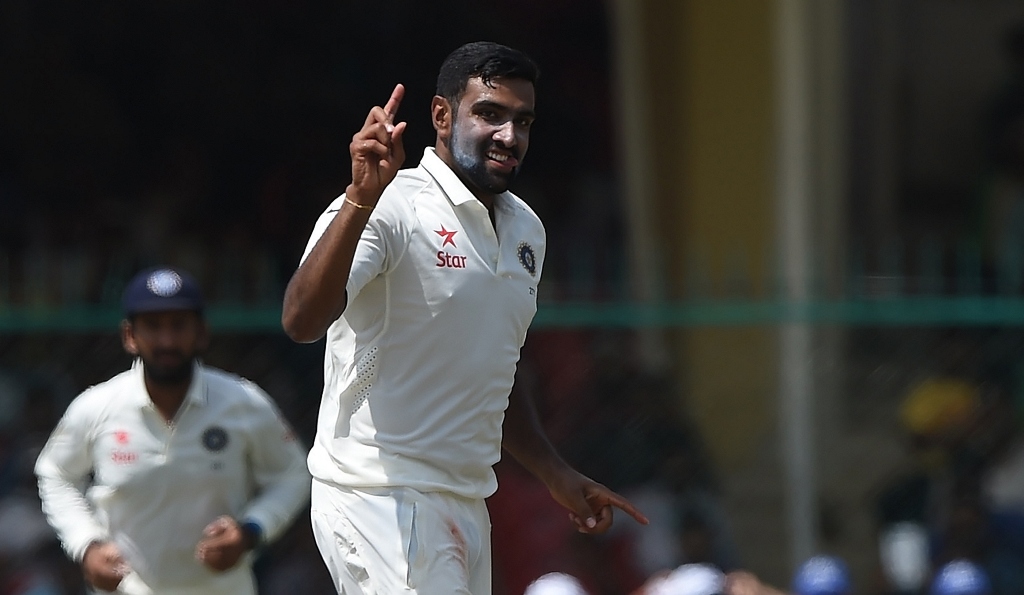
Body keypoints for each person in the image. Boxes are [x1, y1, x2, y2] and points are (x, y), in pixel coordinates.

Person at [281, 40, 648, 594]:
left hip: (465, 501)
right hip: (380, 495)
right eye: (490, 114)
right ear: (441, 115)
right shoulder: (388, 204)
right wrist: (359, 199)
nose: (508, 136)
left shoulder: (527, 230)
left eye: (521, 121)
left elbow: (496, 371)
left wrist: (554, 472)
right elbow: (301, 321)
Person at [34, 266, 311, 595]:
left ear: (201, 333)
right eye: (153, 326)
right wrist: (87, 545)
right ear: (129, 336)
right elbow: (55, 474)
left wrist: (251, 529)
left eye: (179, 326)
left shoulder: (243, 402)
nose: (167, 340)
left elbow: (293, 473)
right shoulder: (96, 406)